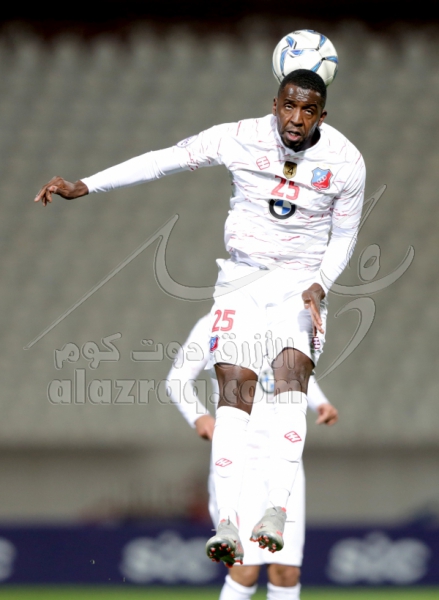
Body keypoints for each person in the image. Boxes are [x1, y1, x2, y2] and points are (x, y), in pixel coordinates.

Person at [35, 69, 365, 567]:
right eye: (289, 106)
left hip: (300, 287)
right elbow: (162, 160)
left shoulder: (346, 162)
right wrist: (87, 185)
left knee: (290, 385)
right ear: (274, 105)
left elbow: (345, 236)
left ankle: (275, 512)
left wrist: (322, 283)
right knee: (233, 392)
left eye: (308, 110)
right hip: (241, 279)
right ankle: (228, 523)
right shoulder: (238, 137)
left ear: (323, 115)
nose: (296, 118)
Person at [167, 313, 338, 600]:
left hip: (284, 464)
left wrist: (320, 403)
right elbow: (177, 379)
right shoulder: (215, 322)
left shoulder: (287, 319)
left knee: (286, 571)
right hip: (238, 464)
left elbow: (295, 373)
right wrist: (198, 417)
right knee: (244, 570)